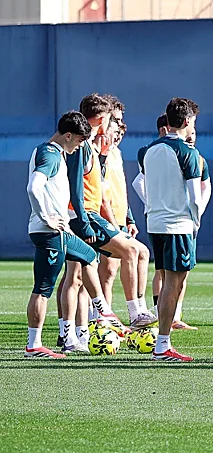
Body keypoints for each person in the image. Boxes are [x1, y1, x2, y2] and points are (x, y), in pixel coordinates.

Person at [25, 112, 107, 359]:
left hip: (59, 232)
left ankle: (102, 310)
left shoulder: (54, 154)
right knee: (43, 288)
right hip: (49, 233)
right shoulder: (50, 154)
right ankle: (34, 344)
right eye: (80, 141)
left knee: (90, 256)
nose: (81, 146)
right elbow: (33, 186)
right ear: (68, 135)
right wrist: (47, 218)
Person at [140, 97, 211, 362]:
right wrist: (196, 219)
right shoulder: (188, 152)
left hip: (155, 222)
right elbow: (194, 196)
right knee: (174, 282)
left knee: (171, 280)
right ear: (188, 120)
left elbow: (144, 186)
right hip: (177, 224)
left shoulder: (150, 150)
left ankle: (162, 341)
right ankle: (162, 344)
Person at [58, 93, 129, 352]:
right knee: (75, 276)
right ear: (100, 118)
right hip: (78, 217)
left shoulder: (92, 147)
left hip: (79, 216)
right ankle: (75, 332)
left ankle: (79, 333)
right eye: (110, 119)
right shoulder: (81, 144)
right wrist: (85, 222)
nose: (113, 125)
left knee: (77, 276)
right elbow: (77, 189)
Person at [97, 102, 154, 331]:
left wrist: (129, 218)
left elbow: (120, 190)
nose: (120, 128)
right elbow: (100, 194)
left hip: (117, 219)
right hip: (100, 218)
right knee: (87, 274)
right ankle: (107, 316)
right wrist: (113, 223)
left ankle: (129, 311)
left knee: (119, 264)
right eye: (116, 122)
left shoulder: (116, 153)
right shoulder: (97, 152)